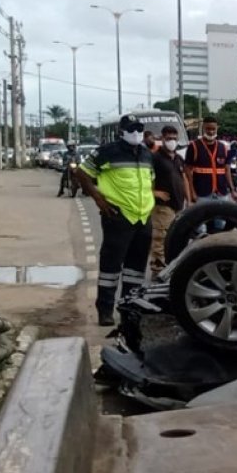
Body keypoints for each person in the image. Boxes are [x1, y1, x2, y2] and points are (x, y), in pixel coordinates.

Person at [77, 113, 156, 326]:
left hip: (142, 218)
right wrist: (98, 199)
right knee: (110, 268)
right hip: (118, 216)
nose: (136, 133)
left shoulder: (147, 154)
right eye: (131, 129)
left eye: (139, 129)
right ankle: (105, 311)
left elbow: (150, 182)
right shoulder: (108, 152)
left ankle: (130, 309)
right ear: (121, 132)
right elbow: (82, 173)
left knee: (136, 270)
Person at [149, 124, 191, 273]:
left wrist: (189, 199)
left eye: (174, 138)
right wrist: (154, 193)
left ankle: (172, 267)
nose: (172, 141)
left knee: (176, 237)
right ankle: (157, 269)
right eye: (168, 138)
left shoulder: (178, 158)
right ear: (162, 138)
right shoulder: (155, 158)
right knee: (160, 238)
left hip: (178, 204)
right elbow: (144, 179)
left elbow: (184, 178)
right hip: (163, 206)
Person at [183, 116, 237, 205]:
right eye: (208, 129)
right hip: (202, 194)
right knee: (203, 215)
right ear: (203, 128)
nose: (211, 132)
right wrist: (192, 192)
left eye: (213, 129)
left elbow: (226, 170)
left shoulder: (223, 147)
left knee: (223, 214)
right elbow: (187, 171)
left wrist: (232, 190)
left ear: (217, 128)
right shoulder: (194, 146)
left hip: (221, 193)